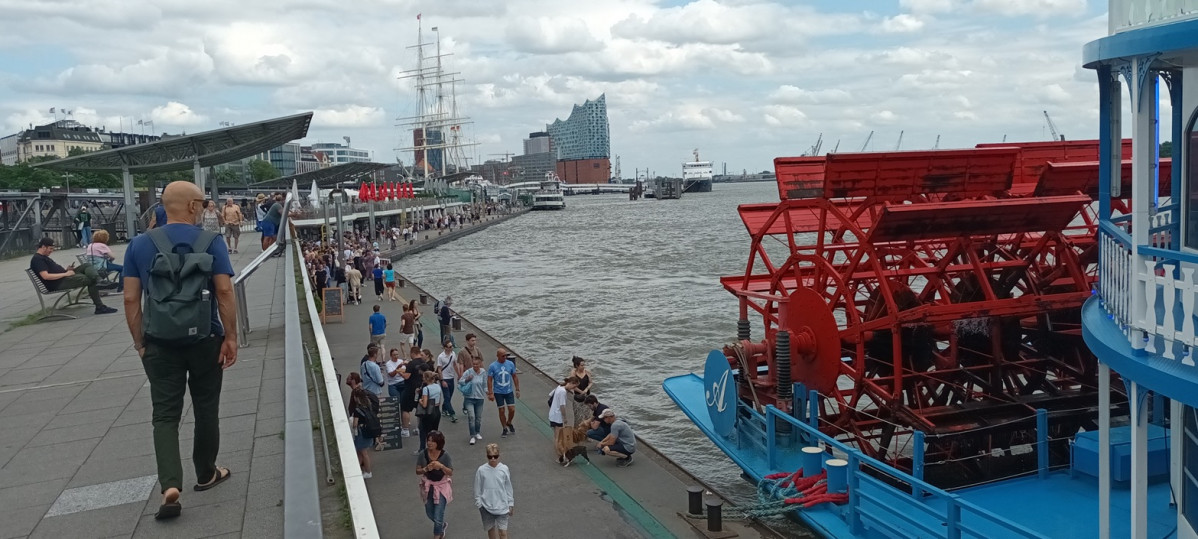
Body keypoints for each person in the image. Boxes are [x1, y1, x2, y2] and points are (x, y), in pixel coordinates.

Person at [122, 181, 237, 519]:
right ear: (190, 207)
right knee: (205, 408)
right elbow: (225, 292)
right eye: (201, 203)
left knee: (165, 415)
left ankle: (170, 485)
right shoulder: (211, 242)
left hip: (159, 343)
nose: (204, 208)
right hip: (205, 340)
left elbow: (130, 298)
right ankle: (206, 472)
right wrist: (230, 337)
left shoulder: (139, 245)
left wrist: (140, 342)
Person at [30, 237, 117, 315]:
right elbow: (46, 276)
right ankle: (100, 306)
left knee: (86, 265)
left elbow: (53, 271)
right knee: (90, 279)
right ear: (43, 247)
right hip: (58, 283)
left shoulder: (44, 257)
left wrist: (67, 270)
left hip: (64, 277)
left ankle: (99, 280)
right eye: (50, 249)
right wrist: (66, 274)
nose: (51, 251)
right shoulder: (38, 259)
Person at [416, 430, 454, 539]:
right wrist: (426, 468)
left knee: (438, 514)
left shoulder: (445, 455)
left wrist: (441, 466)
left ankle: (437, 535)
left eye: (432, 441)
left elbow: (450, 472)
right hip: (428, 486)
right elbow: (417, 470)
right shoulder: (423, 454)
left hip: (442, 486)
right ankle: (442, 525)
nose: (429, 443)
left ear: (439, 443)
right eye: (428, 440)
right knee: (429, 512)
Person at [475, 443, 514, 539]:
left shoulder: (504, 469)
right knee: (491, 532)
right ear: (487, 456)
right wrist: (479, 504)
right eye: (490, 456)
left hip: (502, 506)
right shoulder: (481, 470)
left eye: (495, 456)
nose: (493, 459)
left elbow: (508, 487)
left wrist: (511, 503)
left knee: (503, 533)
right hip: (486, 506)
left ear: (499, 456)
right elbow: (477, 488)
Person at [487, 347, 520, 438]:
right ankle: (504, 427)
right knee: (501, 410)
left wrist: (517, 389)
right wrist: (490, 393)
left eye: (506, 355)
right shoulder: (492, 366)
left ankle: (509, 422)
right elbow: (489, 380)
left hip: (508, 391)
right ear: (498, 356)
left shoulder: (510, 364)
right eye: (502, 356)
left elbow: (514, 376)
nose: (505, 357)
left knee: (512, 409)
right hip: (498, 392)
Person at [347, 382, 378, 479]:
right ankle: (359, 470)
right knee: (361, 452)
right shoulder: (369, 406)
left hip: (361, 433)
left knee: (363, 453)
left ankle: (368, 472)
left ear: (356, 398)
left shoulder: (357, 410)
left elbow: (355, 424)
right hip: (368, 432)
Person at [550, 376, 581, 465]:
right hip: (558, 416)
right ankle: (560, 456)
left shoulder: (559, 387)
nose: (574, 389)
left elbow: (550, 395)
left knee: (556, 436)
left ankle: (560, 456)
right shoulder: (563, 392)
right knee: (558, 438)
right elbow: (562, 406)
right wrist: (565, 418)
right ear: (572, 383)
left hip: (552, 414)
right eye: (574, 386)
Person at [459, 353, 488, 445]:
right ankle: (472, 435)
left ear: (480, 364)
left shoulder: (483, 372)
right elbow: (460, 381)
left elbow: (484, 384)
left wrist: (488, 392)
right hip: (469, 398)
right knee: (471, 416)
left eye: (477, 364)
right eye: (474, 364)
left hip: (479, 398)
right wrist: (467, 379)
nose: (475, 366)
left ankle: (477, 432)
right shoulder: (468, 372)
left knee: (478, 418)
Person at [417, 370, 443, 454]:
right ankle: (436, 449)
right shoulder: (437, 386)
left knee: (423, 430)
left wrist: (420, 401)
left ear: (426, 379)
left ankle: (423, 449)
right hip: (437, 410)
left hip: (429, 412)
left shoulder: (426, 389)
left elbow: (424, 404)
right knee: (434, 432)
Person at [569, 356, 595, 425]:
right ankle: (577, 432)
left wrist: (586, 390)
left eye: (584, 365)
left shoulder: (587, 372)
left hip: (587, 396)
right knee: (578, 416)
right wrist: (581, 392)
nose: (583, 367)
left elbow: (591, 382)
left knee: (588, 415)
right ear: (577, 366)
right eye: (581, 365)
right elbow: (572, 386)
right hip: (578, 397)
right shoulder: (573, 373)